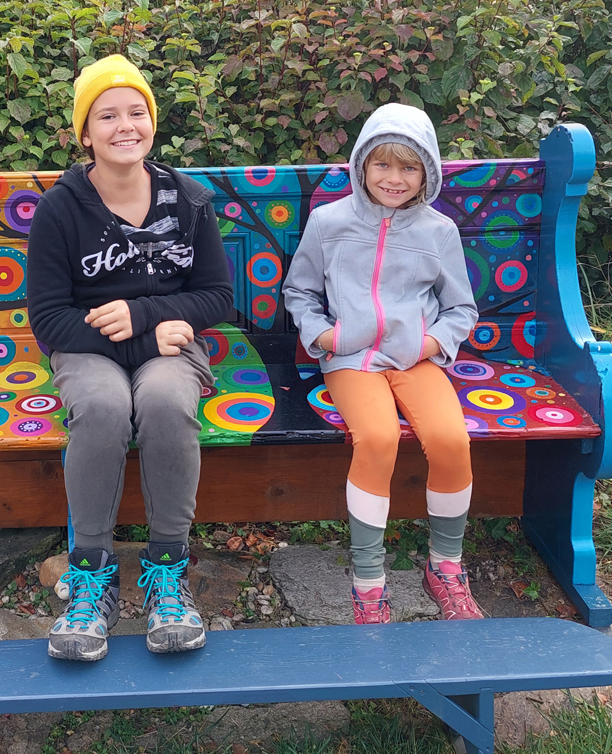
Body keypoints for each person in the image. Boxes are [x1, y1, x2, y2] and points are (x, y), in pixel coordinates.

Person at [27, 54, 234, 661]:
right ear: (84, 134)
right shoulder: (61, 208)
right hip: (87, 348)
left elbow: (217, 295)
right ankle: (91, 578)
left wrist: (145, 316)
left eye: (137, 112)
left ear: (153, 122)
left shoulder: (188, 201)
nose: (125, 126)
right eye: (107, 115)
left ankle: (168, 571)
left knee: (166, 400)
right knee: (102, 406)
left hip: (169, 345)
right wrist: (142, 338)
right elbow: (49, 318)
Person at [282, 103, 484, 624]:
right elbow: (299, 291)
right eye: (382, 164)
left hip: (415, 360)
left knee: (450, 439)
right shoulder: (329, 222)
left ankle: (445, 568)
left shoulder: (439, 231)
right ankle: (369, 585)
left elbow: (461, 308)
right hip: (350, 359)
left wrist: (431, 344)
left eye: (409, 167)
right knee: (377, 438)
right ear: (362, 165)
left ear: (427, 172)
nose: (394, 178)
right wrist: (323, 335)